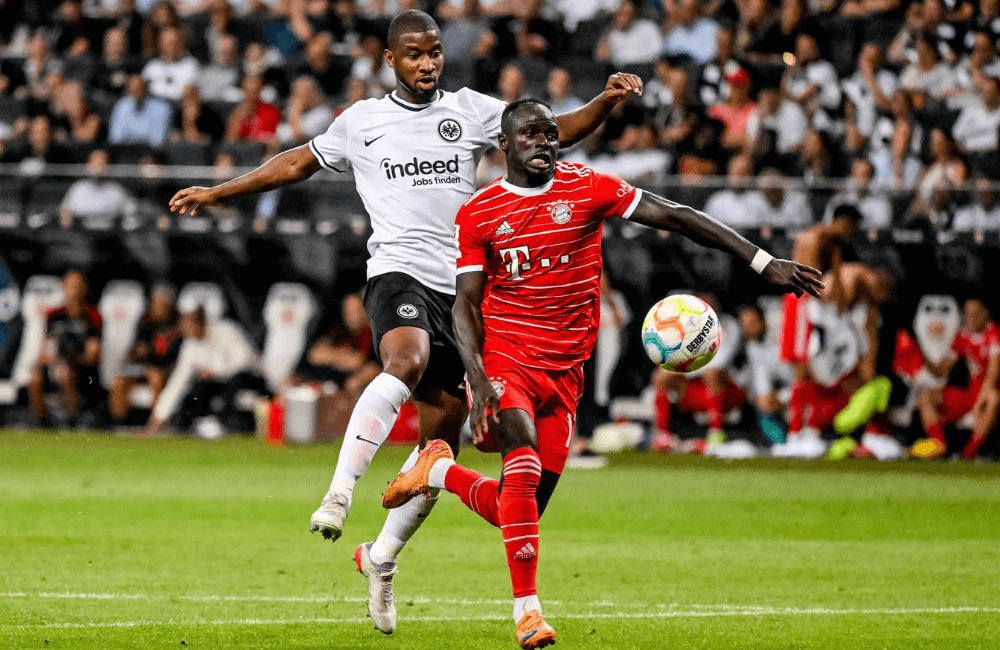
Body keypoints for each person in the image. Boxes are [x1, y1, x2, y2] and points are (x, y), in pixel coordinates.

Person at [166, 9, 643, 635]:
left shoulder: (471, 110)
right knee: (405, 360)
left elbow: (549, 133)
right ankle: (339, 492)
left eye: (436, 53)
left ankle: (382, 558)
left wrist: (604, 101)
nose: (428, 64)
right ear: (390, 59)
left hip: (467, 295)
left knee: (436, 447)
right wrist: (218, 191)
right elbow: (293, 164)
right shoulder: (361, 121)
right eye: (414, 55)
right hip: (398, 274)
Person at [380, 98, 822, 649]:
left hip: (565, 370)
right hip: (506, 360)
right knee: (518, 456)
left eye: (550, 134)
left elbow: (676, 215)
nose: (544, 142)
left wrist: (763, 261)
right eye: (531, 135)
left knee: (518, 511)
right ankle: (528, 613)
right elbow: (465, 305)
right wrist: (478, 378)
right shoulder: (480, 211)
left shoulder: (587, 188)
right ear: (504, 147)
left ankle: (438, 469)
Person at [911, 297, 1000, 460]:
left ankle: (968, 454)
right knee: (925, 394)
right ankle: (938, 445)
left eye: (976, 314)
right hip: (972, 397)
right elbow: (941, 370)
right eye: (967, 314)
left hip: (988, 399)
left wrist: (978, 405)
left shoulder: (993, 332)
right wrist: (919, 351)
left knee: (993, 397)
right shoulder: (963, 336)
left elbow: (993, 373)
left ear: (985, 314)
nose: (970, 318)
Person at [27, 270, 103, 426]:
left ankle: (71, 421)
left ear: (84, 289)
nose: (73, 290)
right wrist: (53, 359)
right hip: (56, 363)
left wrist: (70, 359)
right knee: (34, 375)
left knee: (65, 372)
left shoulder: (93, 315)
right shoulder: (54, 315)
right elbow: (43, 351)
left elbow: (92, 356)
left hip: (83, 370)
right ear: (63, 287)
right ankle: (42, 423)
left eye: (77, 286)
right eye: (70, 286)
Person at [108, 283, 182, 423]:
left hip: (168, 371)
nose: (157, 308)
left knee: (155, 376)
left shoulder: (178, 327)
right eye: (155, 303)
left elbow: (180, 359)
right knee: (119, 380)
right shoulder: (145, 324)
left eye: (161, 305)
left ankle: (156, 422)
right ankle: (117, 422)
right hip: (145, 369)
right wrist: (134, 353)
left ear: (170, 306)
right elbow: (137, 350)